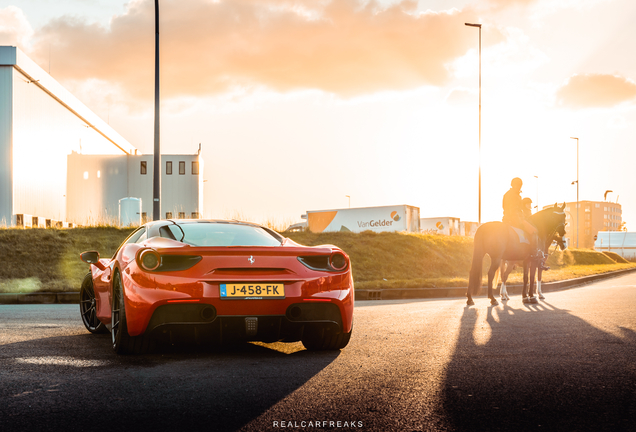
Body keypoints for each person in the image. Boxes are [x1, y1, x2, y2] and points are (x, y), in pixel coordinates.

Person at [502, 178, 548, 270]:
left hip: (506, 218)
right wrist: (522, 219)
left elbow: (504, 207)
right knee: (534, 231)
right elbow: (516, 210)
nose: (519, 187)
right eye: (517, 185)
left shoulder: (507, 194)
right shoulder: (515, 195)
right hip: (516, 220)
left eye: (520, 185)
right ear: (513, 185)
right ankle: (534, 254)